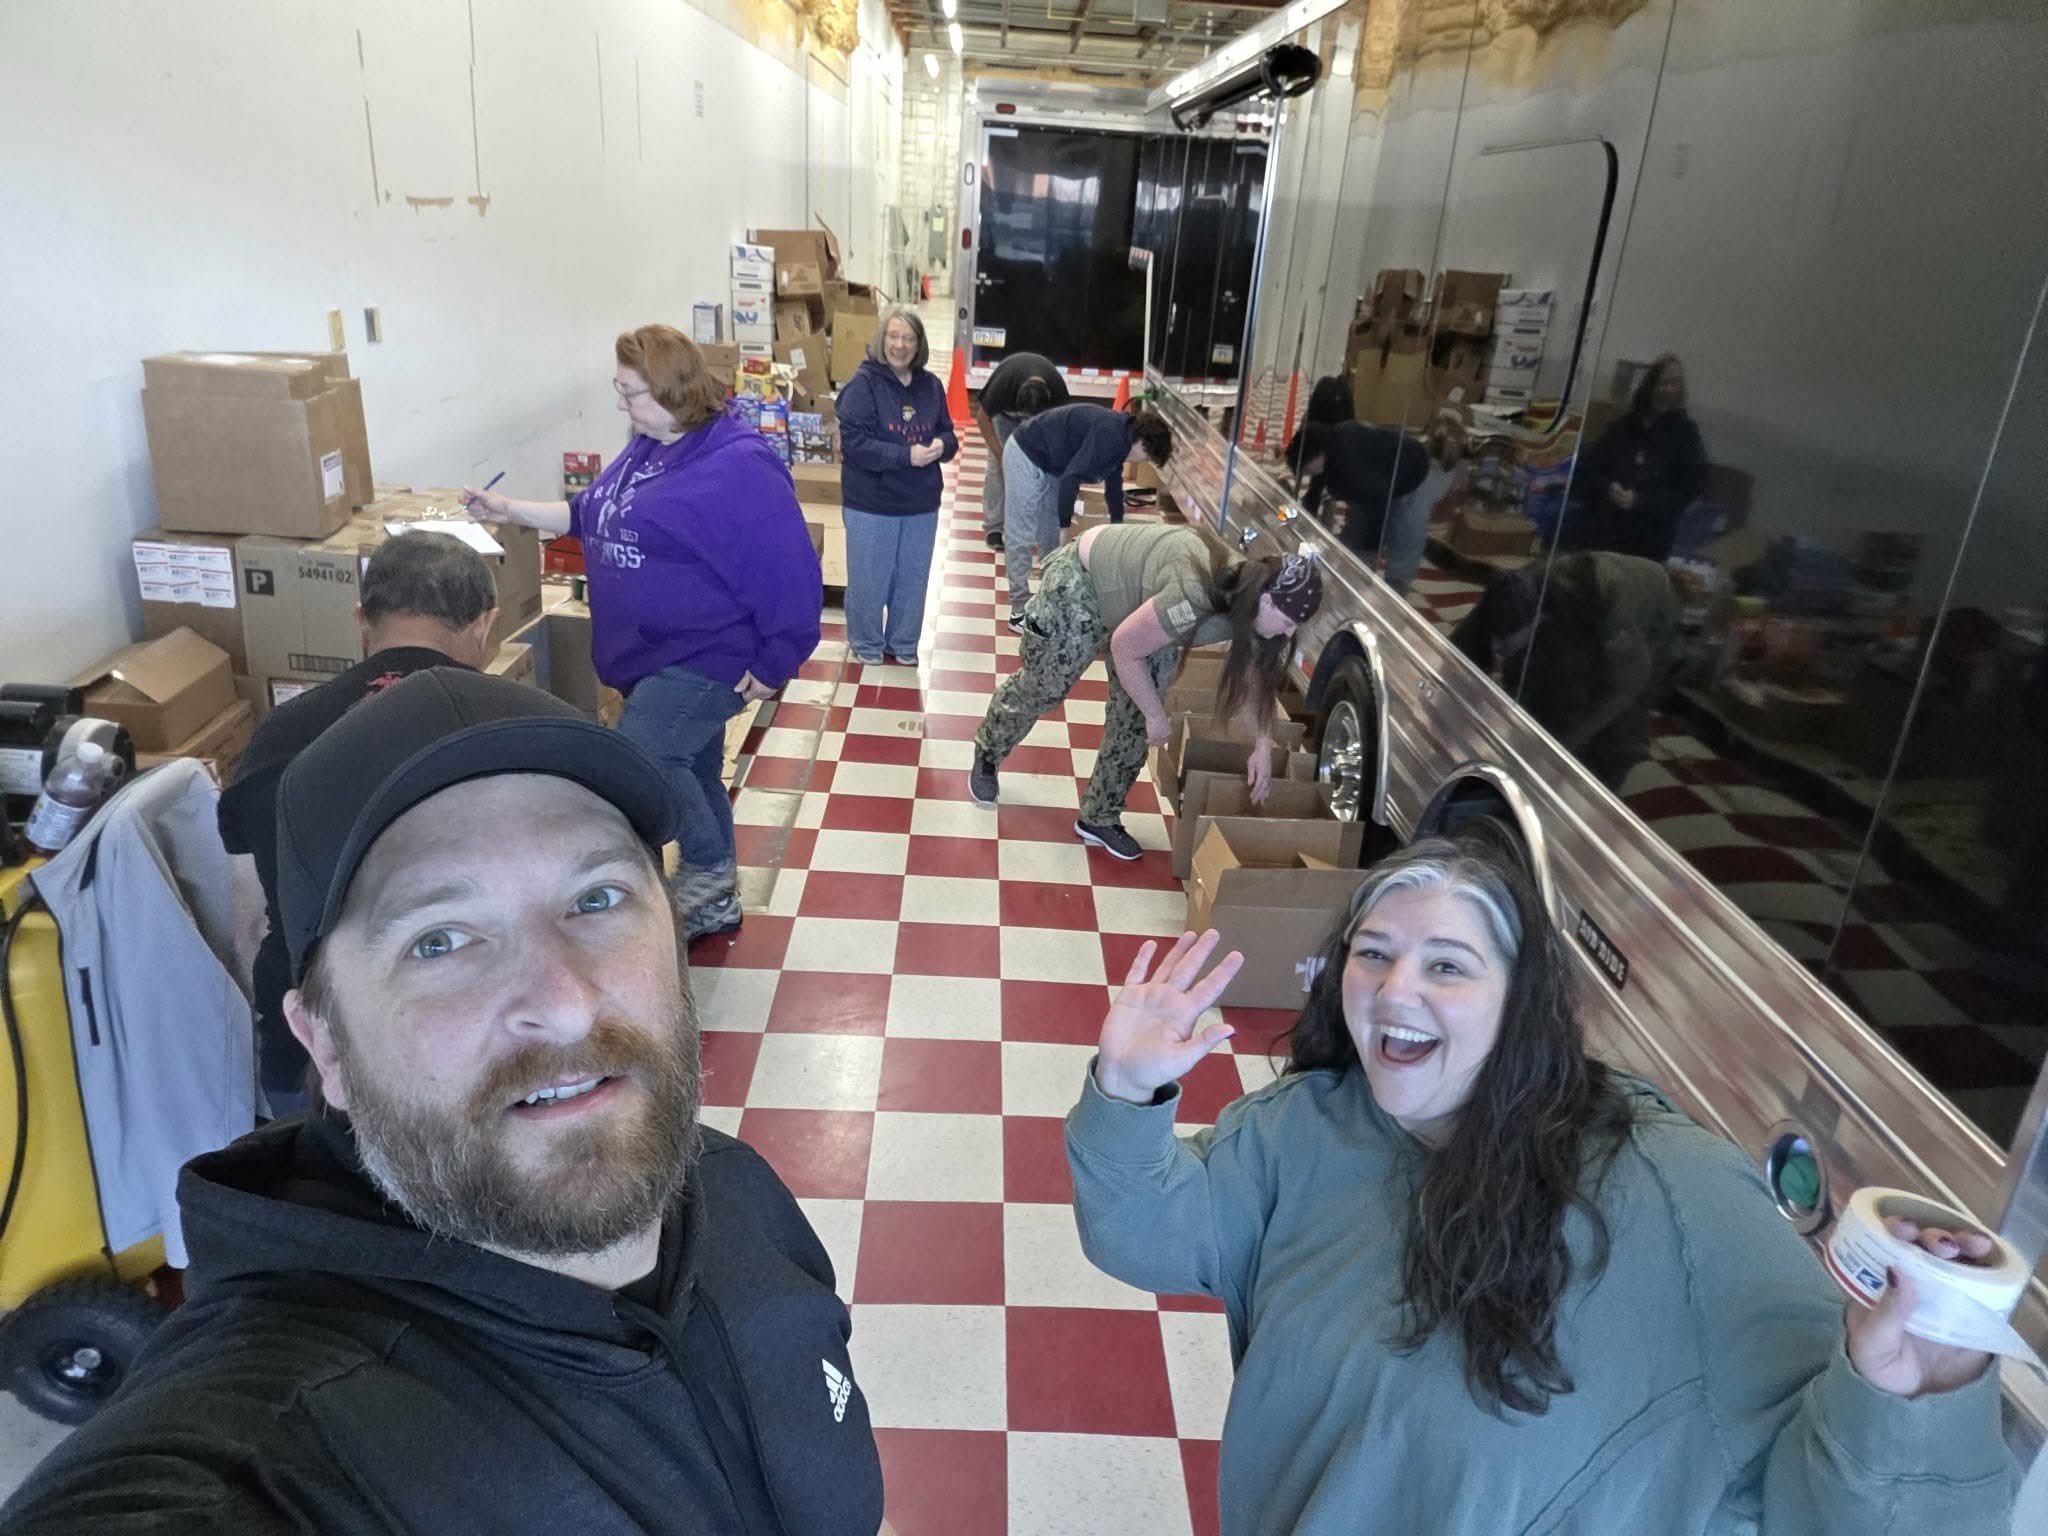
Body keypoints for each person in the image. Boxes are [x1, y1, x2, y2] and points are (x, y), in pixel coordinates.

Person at [3, 670, 888, 1533]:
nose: (566, 1002)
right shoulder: (265, 1452)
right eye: (441, 940)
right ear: (326, 1044)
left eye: (597, 897)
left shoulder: (736, 1190)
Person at [1066, 836, 2015, 1536]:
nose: (1394, 990)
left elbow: (1838, 1506)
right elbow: (1146, 1235)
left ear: (1523, 998)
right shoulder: (1304, 1125)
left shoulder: (1681, 1197)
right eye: (1373, 952)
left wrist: (1908, 1399)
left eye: (1447, 965)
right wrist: (1127, 1090)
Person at [462, 324, 821, 942]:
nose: (620, 403)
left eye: (630, 392)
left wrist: (777, 662)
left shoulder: (737, 465)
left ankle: (705, 872)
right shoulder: (648, 445)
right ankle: (717, 896)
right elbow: (592, 511)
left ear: (671, 390)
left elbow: (789, 572)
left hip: (710, 655)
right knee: (694, 768)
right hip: (650, 654)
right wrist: (511, 510)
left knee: (646, 757)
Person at [219, 530, 499, 1115]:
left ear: (361, 621)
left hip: (309, 1049)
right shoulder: (513, 730)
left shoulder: (279, 735)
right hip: (466, 1043)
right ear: (484, 626)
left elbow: (249, 922)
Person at [969, 526, 1322, 860]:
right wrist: (1156, 715)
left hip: (1148, 606)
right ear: (1266, 600)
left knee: (1136, 714)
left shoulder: (1253, 609)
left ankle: (1099, 817)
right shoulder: (1194, 593)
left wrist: (1262, 744)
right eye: (1289, 622)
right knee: (1046, 686)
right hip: (1085, 584)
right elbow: (1125, 648)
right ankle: (988, 750)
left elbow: (1251, 678)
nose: (1289, 634)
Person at [1451, 549, 1682, 790]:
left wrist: (1560, 749)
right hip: (1567, 615)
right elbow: (1458, 656)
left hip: (1642, 628)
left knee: (1611, 734)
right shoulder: (1509, 592)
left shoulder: (1607, 615)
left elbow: (1629, 684)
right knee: (1535, 691)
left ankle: (1594, 790)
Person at [836, 306, 957, 665]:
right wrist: (906, 456)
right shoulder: (863, 385)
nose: (899, 345)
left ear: (919, 344)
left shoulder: (931, 386)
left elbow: (949, 433)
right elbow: (854, 445)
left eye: (908, 338)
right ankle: (866, 642)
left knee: (912, 579)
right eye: (893, 336)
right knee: (869, 579)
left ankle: (904, 644)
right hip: (871, 502)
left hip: (921, 503)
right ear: (881, 339)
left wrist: (942, 446)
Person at [1002, 401, 1173, 628]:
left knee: (1049, 537)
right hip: (1025, 451)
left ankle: (1046, 605)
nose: (1144, 462)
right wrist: (1065, 526)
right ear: (1143, 443)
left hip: (1052, 462)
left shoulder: (1123, 436)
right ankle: (1018, 611)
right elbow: (1071, 478)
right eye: (1147, 457)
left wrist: (1117, 530)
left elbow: (1114, 488)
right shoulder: (1111, 435)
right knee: (1021, 533)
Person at [1559, 352, 1707, 561]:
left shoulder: (1685, 435)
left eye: (1674, 384)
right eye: (1662, 383)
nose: (1667, 390)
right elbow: (1587, 471)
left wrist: (1640, 502)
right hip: (1603, 528)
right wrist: (1608, 488)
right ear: (1650, 387)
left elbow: (1686, 491)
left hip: (1649, 538)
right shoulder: (1623, 427)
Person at [1287, 417, 1429, 561]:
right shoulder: (1332, 442)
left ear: (1315, 456)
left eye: (1306, 470)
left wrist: (1370, 551)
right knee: (1357, 531)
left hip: (1412, 471)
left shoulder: (1350, 465)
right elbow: (1316, 489)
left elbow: (1376, 505)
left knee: (1395, 536)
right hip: (1388, 469)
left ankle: (1387, 568)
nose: (1308, 474)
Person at [974, 350, 1068, 549]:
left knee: (1044, 472)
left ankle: (1038, 526)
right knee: (997, 469)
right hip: (1005, 419)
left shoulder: (1058, 390)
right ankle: (994, 528)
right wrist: (1000, 455)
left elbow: (1062, 429)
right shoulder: (1003, 385)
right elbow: (982, 418)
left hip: (1043, 424)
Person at [1382, 408, 1468, 594]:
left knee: (1395, 551)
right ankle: (1395, 587)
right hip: (1416, 518)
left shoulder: (1422, 458)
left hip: (1404, 510)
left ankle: (1391, 586)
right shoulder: (1453, 469)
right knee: (1404, 558)